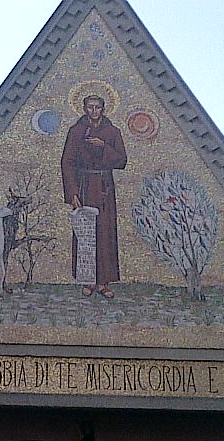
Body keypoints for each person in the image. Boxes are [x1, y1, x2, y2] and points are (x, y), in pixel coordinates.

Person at [60, 93, 127, 299]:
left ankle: (103, 282)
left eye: (97, 107)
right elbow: (67, 162)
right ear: (84, 109)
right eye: (90, 107)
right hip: (85, 187)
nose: (94, 111)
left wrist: (103, 147)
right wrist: (72, 193)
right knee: (86, 234)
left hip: (104, 188)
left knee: (105, 234)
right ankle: (88, 280)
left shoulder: (112, 131)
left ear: (103, 109)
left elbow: (122, 160)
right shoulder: (76, 131)